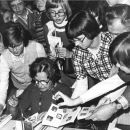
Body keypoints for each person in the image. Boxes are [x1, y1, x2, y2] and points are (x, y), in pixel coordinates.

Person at [0, 23, 46, 116]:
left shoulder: (37, 47)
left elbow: (47, 73)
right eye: (10, 46)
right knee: (12, 110)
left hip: (39, 85)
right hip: (20, 88)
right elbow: (2, 84)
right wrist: (1, 103)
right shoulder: (4, 58)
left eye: (18, 45)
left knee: (40, 108)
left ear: (23, 40)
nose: (14, 50)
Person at [43, 0, 75, 87]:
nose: (57, 16)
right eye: (53, 12)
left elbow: (85, 50)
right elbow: (49, 49)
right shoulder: (48, 27)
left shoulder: (73, 24)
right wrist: (51, 55)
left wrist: (70, 54)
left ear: (67, 10)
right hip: (60, 67)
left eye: (60, 12)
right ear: (48, 13)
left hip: (76, 65)